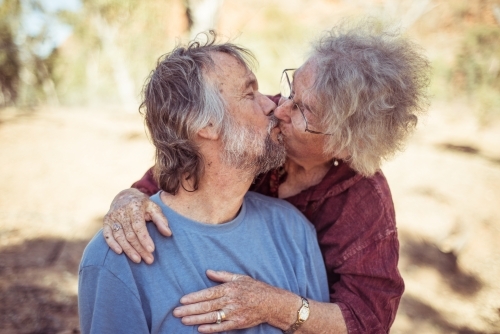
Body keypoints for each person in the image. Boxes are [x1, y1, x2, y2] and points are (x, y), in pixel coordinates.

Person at [102, 22, 430, 333]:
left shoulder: (363, 200)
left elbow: (368, 320)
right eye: (291, 91)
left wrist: (273, 306)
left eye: (304, 110)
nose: (280, 108)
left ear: (345, 144)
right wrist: (129, 197)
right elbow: (182, 162)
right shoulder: (261, 129)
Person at [78, 35, 331, 333]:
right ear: (205, 124)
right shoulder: (118, 258)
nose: (273, 106)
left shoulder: (294, 232)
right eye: (250, 94)